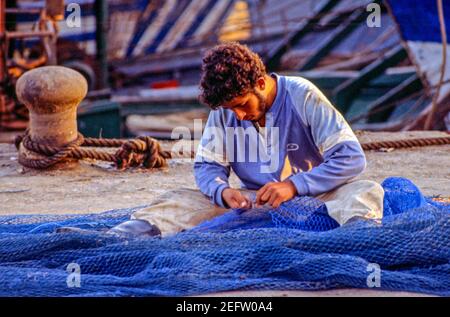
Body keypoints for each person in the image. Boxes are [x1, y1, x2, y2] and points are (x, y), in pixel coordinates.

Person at [132, 42, 384, 236]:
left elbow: (351, 158)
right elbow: (208, 166)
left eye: (242, 105)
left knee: (365, 191)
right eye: (231, 109)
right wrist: (223, 191)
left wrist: (294, 186)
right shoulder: (224, 110)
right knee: (178, 200)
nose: (238, 116)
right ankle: (128, 236)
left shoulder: (302, 95)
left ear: (261, 83)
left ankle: (359, 239)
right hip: (252, 202)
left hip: (317, 196)